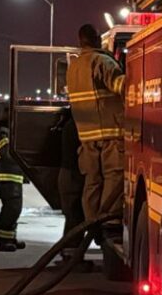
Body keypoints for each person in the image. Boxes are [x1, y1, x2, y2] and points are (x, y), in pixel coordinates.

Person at [67, 23, 126, 239]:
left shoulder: (74, 67)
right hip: (110, 133)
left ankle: (92, 223)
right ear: (97, 39)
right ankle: (108, 221)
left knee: (92, 182)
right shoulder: (102, 61)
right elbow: (122, 86)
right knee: (114, 177)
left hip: (87, 136)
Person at [52, 106, 86, 258]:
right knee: (75, 217)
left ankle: (70, 252)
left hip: (68, 176)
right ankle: (71, 254)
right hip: (73, 176)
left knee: (73, 217)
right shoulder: (75, 127)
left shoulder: (68, 126)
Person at [0, 109, 26, 251]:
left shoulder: (8, 133)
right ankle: (2, 241)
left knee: (15, 209)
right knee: (11, 209)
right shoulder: (1, 134)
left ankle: (10, 238)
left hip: (14, 177)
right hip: (6, 176)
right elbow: (6, 153)